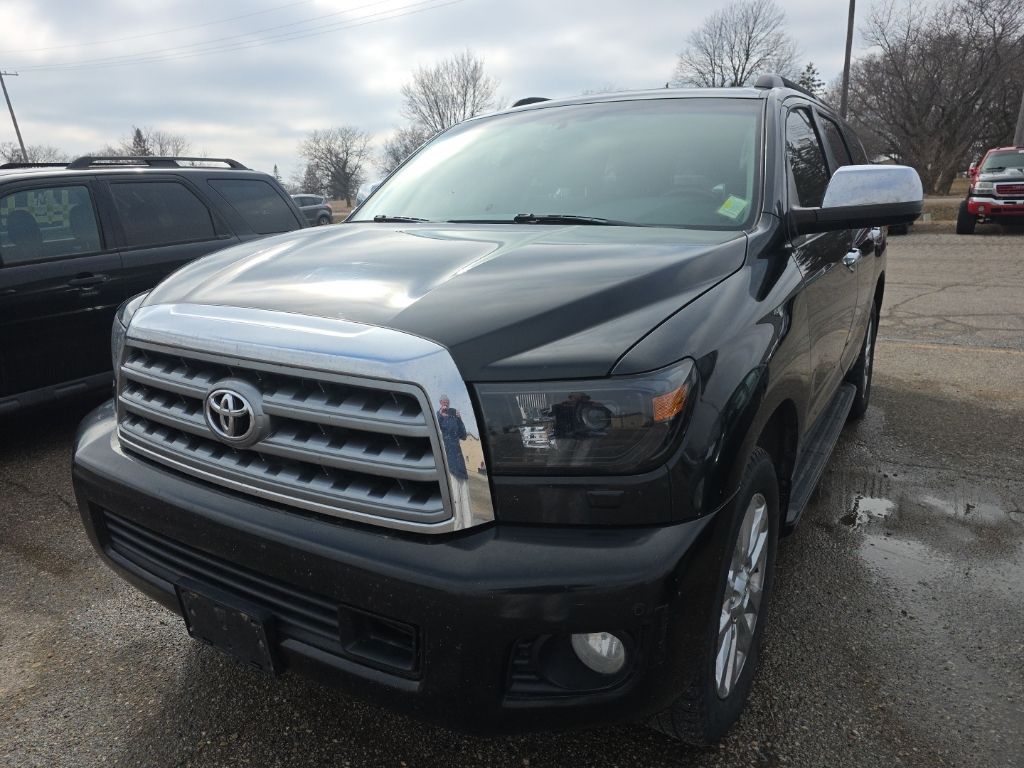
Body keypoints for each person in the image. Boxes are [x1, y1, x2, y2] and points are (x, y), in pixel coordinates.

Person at [436, 395, 472, 527]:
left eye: (447, 401)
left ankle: (468, 525)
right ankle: (456, 525)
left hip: (457, 456)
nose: (445, 403)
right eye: (443, 402)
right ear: (440, 403)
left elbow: (463, 435)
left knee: (464, 492)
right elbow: (435, 431)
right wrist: (440, 416)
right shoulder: (437, 416)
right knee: (454, 493)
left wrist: (460, 419)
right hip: (445, 457)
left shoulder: (454, 416)